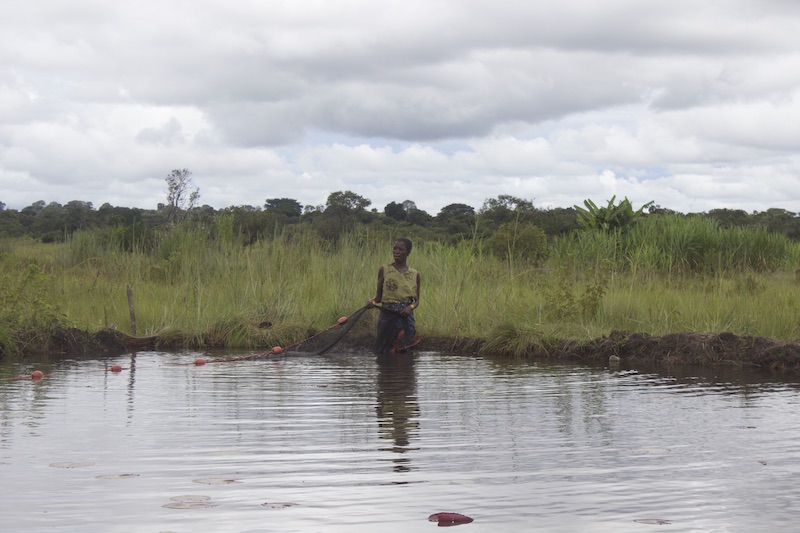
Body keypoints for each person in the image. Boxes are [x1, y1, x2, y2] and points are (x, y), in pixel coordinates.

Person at [368, 237, 420, 355]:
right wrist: (372, 302)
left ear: (408, 252)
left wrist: (409, 308)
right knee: (383, 348)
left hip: (405, 316)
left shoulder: (415, 274)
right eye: (395, 248)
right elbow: (379, 297)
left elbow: (417, 301)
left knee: (405, 348)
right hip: (387, 314)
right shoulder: (384, 270)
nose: (396, 251)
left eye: (401, 249)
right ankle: (386, 372)